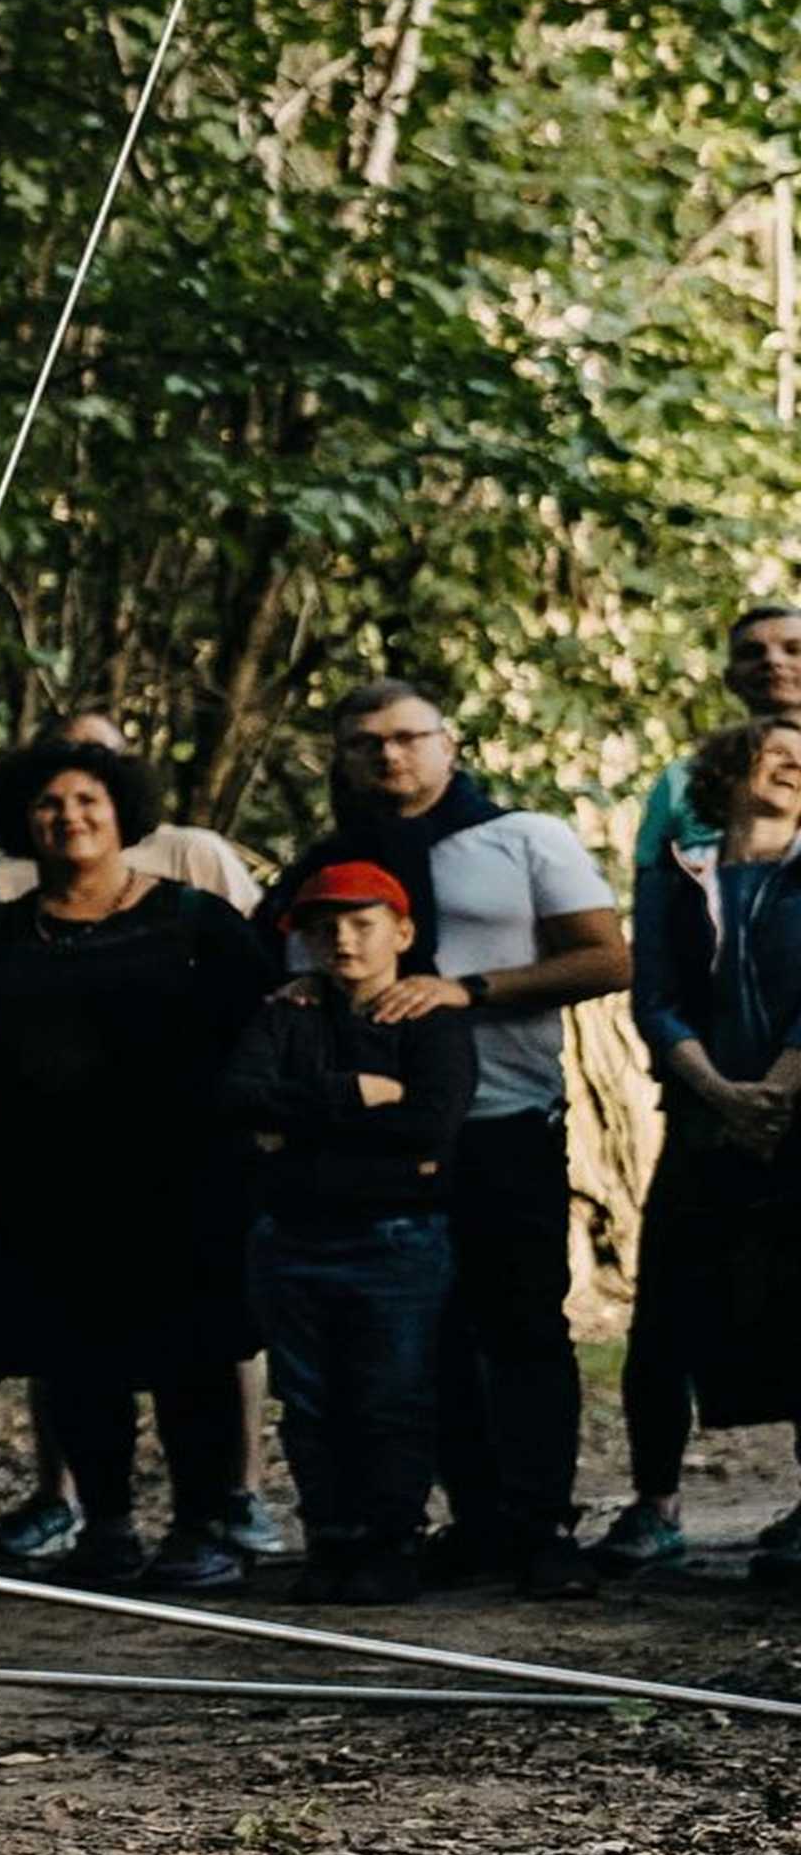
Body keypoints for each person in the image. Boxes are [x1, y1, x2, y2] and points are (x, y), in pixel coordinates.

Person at [276, 678, 629, 1593]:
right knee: (417, 1340)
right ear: (343, 758)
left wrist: (465, 991)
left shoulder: (522, 838)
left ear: (448, 744)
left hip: (503, 1120)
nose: (388, 757)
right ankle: (468, 1518)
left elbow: (608, 957)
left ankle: (543, 1524)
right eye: (365, 744)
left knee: (521, 1326)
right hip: (371, 1149)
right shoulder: (328, 870)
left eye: (406, 738)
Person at [0, 736, 274, 1588]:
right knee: (78, 1363)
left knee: (192, 1359)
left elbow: (261, 1034)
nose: (69, 817)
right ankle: (106, 1528)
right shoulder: (1, 933)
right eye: (49, 805)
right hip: (47, 1189)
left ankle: (202, 1526)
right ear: (23, 822)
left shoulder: (195, 919)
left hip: (181, 1181)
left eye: (86, 801)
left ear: (121, 813)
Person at [225, 863, 479, 1605]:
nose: (344, 939)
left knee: (390, 1394)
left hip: (396, 1240)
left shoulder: (432, 1021)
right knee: (307, 1398)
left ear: (401, 932)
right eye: (326, 927)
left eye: (363, 923)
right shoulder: (287, 1014)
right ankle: (331, 1538)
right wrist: (355, 1095)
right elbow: (240, 1098)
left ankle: (388, 1540)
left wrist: (297, 1125)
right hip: (294, 1240)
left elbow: (430, 1123)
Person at [600, 711, 801, 1585]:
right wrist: (718, 1091)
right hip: (700, 1115)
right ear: (727, 772)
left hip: (798, 1124)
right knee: (667, 1313)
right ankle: (654, 1507)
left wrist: (782, 1091)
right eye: (778, 755)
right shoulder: (680, 875)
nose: (795, 767)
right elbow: (656, 997)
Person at [0, 710, 266, 909]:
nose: (71, 814)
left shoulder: (193, 852)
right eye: (51, 801)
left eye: (88, 796)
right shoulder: (5, 884)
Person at [626, 606, 801, 874]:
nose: (772, 661)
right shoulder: (683, 780)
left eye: (794, 649)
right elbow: (655, 892)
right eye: (752, 653)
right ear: (730, 679)